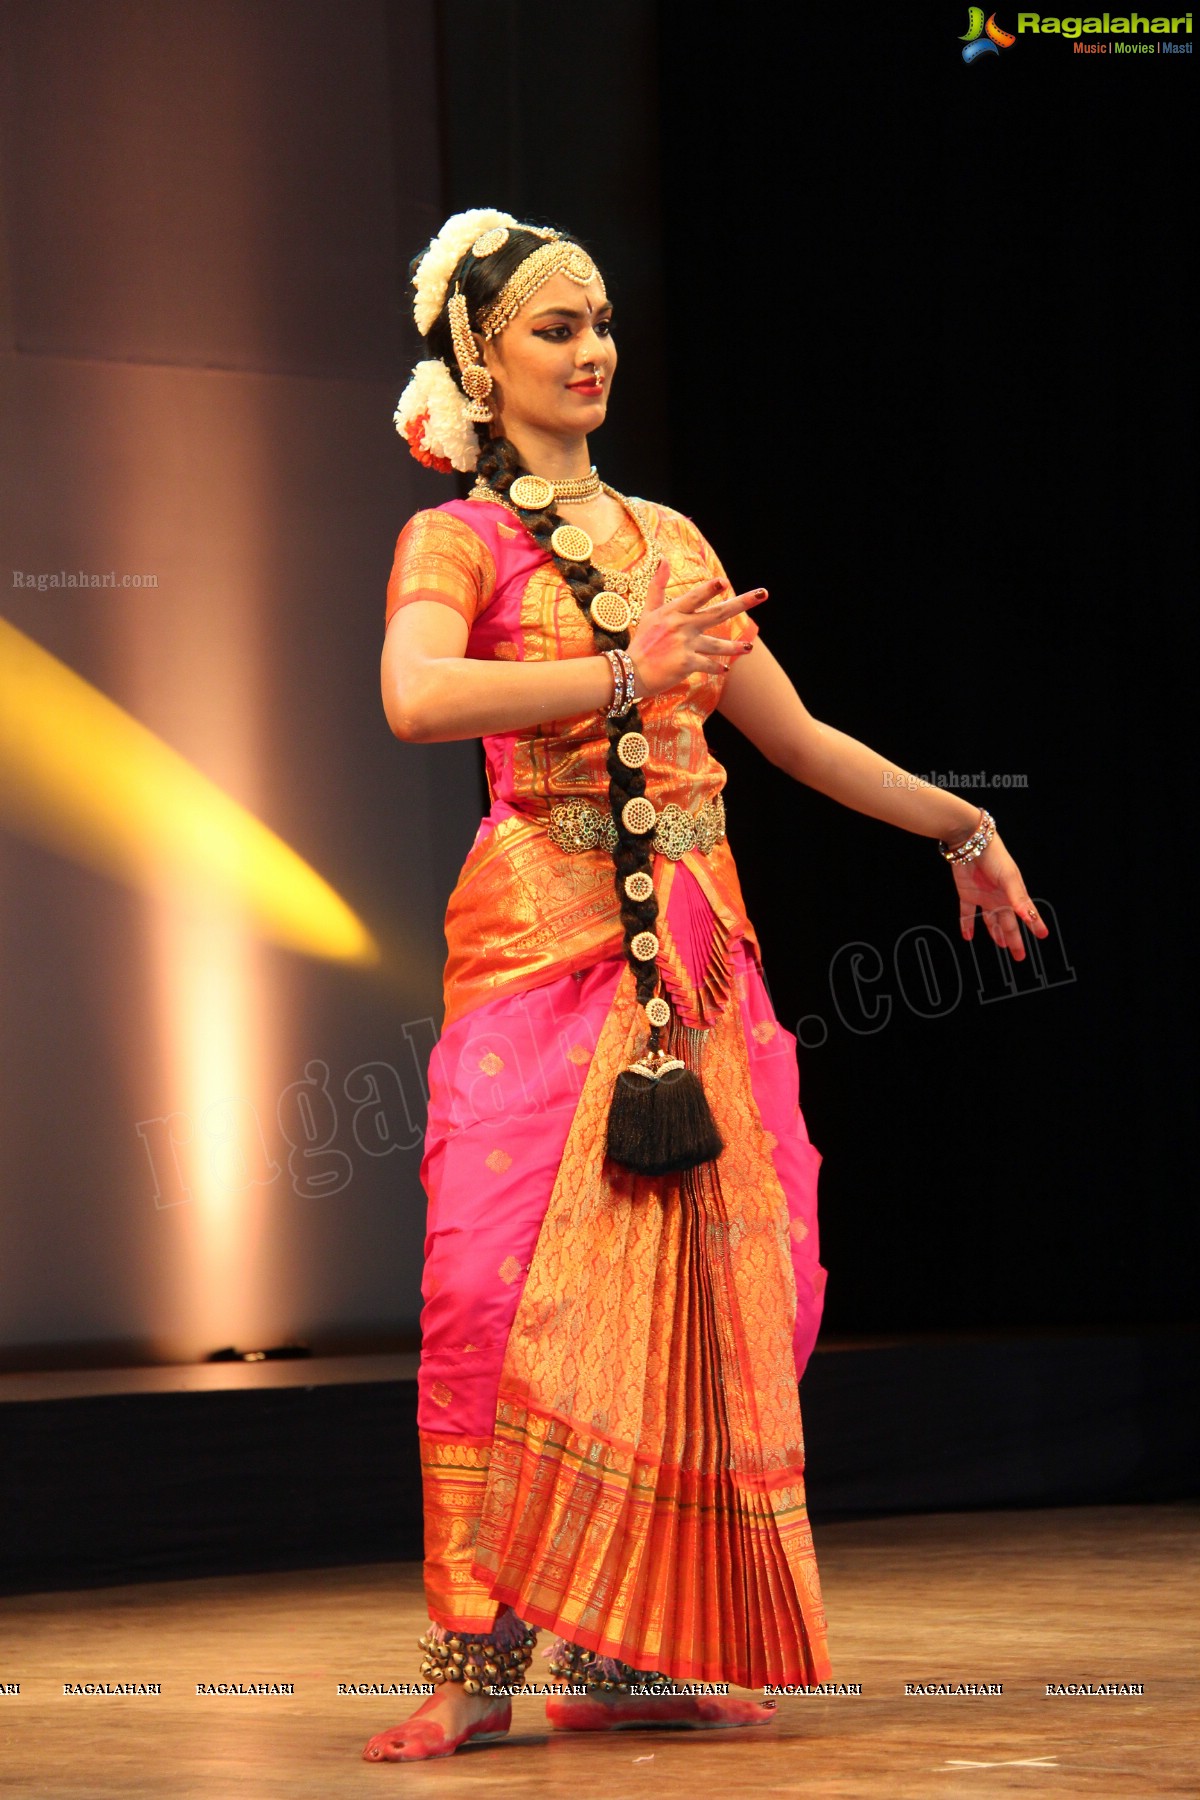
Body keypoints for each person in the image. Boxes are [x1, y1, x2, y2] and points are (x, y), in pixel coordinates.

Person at [364, 209, 1048, 1764]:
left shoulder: (674, 544)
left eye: (600, 321)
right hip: (537, 954)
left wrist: (965, 825)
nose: (590, 348)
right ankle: (478, 1656)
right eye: (552, 328)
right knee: (487, 1293)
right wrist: (622, 676)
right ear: (479, 353)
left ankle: (633, 1648)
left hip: (693, 962)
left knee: (693, 1299)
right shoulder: (455, 542)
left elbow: (795, 743)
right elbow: (416, 695)